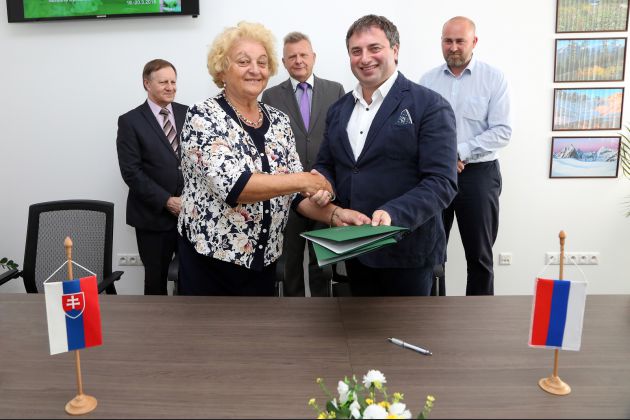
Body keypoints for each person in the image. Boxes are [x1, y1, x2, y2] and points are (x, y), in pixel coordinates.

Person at [177, 21, 369, 296]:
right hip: (211, 263)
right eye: (243, 61)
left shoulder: (278, 120)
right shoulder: (203, 116)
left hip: (264, 262)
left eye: (262, 62)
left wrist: (336, 214)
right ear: (222, 70)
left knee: (261, 325)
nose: (255, 69)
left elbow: (296, 197)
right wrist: (305, 180)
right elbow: (235, 187)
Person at [313, 15, 458, 296]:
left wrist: (394, 213)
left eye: (374, 48)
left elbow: (442, 182)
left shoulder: (429, 105)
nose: (365, 58)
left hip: (408, 252)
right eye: (356, 51)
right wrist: (323, 185)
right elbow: (326, 164)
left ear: (395, 50)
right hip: (355, 249)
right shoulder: (338, 110)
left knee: (406, 325)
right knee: (360, 325)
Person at [420, 16, 512, 296]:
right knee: (431, 253)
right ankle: (432, 313)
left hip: (479, 176)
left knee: (480, 256)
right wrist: (443, 158)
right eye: (448, 41)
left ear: (474, 42)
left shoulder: (493, 78)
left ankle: (479, 317)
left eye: (460, 41)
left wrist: (458, 152)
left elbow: (502, 131)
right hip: (435, 176)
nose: (453, 47)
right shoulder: (427, 81)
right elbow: (418, 132)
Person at [261, 32, 345, 297]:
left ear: (313, 57)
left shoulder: (335, 90)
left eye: (303, 55)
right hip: (287, 196)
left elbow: (342, 141)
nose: (298, 61)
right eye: (292, 56)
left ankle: (323, 312)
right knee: (289, 263)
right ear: (284, 62)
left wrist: (331, 185)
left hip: (325, 192)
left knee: (323, 263)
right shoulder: (270, 96)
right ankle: (293, 314)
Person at [116, 59, 188, 295]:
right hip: (153, 217)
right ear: (147, 84)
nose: (170, 87)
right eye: (163, 82)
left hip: (191, 214)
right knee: (156, 282)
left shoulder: (189, 114)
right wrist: (167, 201)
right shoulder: (130, 121)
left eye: (173, 82)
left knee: (191, 278)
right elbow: (131, 172)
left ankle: (190, 319)